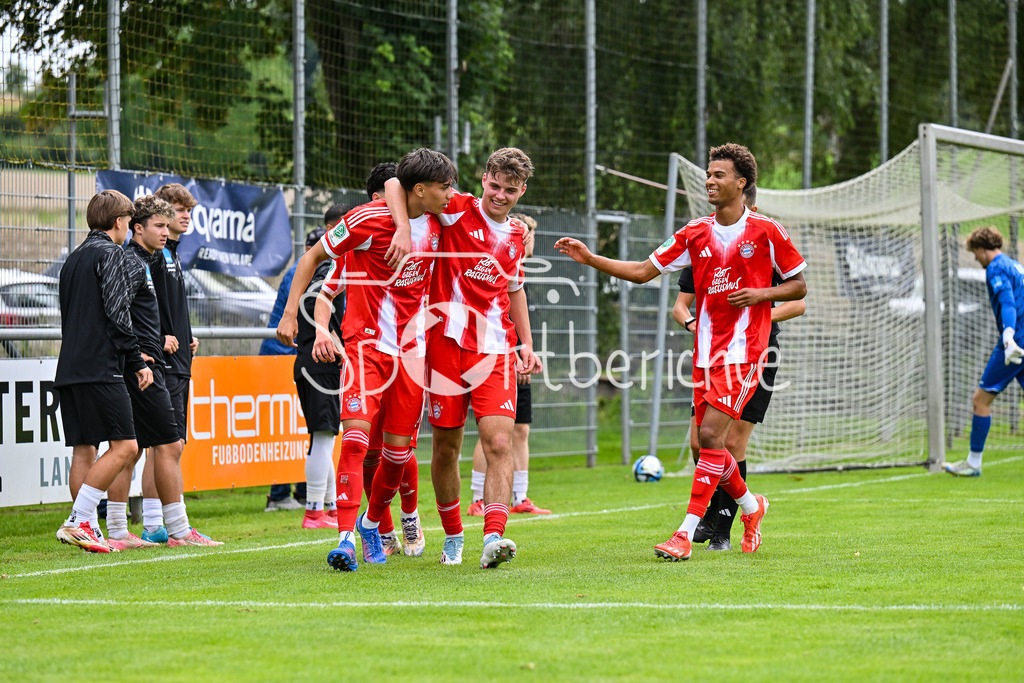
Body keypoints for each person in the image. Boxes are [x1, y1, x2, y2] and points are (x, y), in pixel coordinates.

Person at [556, 143, 807, 561]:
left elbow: (799, 287)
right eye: (708, 174)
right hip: (706, 353)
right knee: (701, 442)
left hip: (747, 352)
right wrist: (589, 258)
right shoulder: (695, 232)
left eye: (719, 175)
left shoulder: (767, 231)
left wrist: (760, 294)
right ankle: (751, 506)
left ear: (741, 183)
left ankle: (684, 534)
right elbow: (641, 272)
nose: (710, 181)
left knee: (712, 436)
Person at [277, 148, 457, 571]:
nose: (451, 193)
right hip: (366, 346)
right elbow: (313, 259)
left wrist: (519, 230)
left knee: (398, 456)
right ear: (420, 189)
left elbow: (486, 214)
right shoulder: (365, 221)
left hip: (412, 355)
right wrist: (294, 315)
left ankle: (374, 522)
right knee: (357, 441)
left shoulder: (440, 221)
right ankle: (344, 539)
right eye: (445, 186)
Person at [384, 147, 543, 569]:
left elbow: (514, 290)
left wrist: (526, 344)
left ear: (521, 191)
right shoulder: (457, 208)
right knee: (446, 448)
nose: (500, 195)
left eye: (510, 190)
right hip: (444, 346)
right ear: (484, 179)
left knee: (498, 441)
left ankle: (493, 536)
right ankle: (453, 535)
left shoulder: (514, 237)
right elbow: (395, 184)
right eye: (495, 185)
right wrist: (402, 228)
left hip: (494, 350)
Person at [671, 184, 805, 551]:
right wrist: (690, 323)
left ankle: (721, 529)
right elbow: (680, 306)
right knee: (701, 443)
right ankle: (737, 508)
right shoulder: (703, 246)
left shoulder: (764, 246)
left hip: (756, 353)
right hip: (710, 354)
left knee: (730, 440)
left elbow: (798, 301)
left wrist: (754, 315)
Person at [105, 196, 221, 548]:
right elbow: (116, 310)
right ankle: (177, 530)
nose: (165, 231)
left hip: (148, 364)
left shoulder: (149, 258)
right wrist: (146, 348)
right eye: (159, 226)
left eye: (165, 225)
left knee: (135, 447)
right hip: (146, 367)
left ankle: (118, 529)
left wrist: (175, 337)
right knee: (166, 445)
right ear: (136, 227)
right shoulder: (132, 261)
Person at [54, 190, 153, 553]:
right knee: (127, 446)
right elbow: (117, 312)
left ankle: (87, 527)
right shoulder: (111, 253)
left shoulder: (73, 258)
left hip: (69, 367)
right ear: (119, 222)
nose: (128, 227)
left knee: (84, 449)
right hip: (101, 367)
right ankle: (80, 520)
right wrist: (137, 360)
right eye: (128, 221)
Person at [136, 183, 220, 545]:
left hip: (179, 358)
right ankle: (168, 526)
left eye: (188, 209)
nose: (184, 215)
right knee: (166, 444)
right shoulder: (153, 254)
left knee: (165, 445)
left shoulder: (172, 252)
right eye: (176, 208)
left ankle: (154, 525)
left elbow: (166, 306)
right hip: (163, 361)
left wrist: (184, 333)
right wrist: (160, 336)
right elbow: (142, 306)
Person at [467, 213, 550, 517]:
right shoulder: (494, 266)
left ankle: (520, 498)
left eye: (531, 234)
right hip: (497, 355)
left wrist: (527, 350)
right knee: (492, 433)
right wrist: (514, 352)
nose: (529, 239)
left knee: (521, 430)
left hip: (517, 356)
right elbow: (498, 317)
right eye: (526, 233)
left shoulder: (520, 272)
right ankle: (478, 498)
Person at [944, 226, 1024, 477]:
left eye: (974, 253)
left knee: (981, 399)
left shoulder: (996, 268)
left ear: (980, 248)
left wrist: (1009, 336)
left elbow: (1007, 303)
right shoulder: (1014, 264)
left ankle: (974, 462)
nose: (975, 258)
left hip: (1016, 343)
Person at [291, 217, 347, 529]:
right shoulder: (326, 276)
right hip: (320, 364)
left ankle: (328, 507)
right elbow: (323, 314)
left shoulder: (315, 276)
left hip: (312, 363)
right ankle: (314, 511)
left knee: (324, 436)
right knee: (324, 436)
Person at [259, 239, 306, 512]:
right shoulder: (300, 270)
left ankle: (302, 491)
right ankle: (277, 495)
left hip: (296, 355)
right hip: (280, 356)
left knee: (303, 427)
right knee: (282, 428)